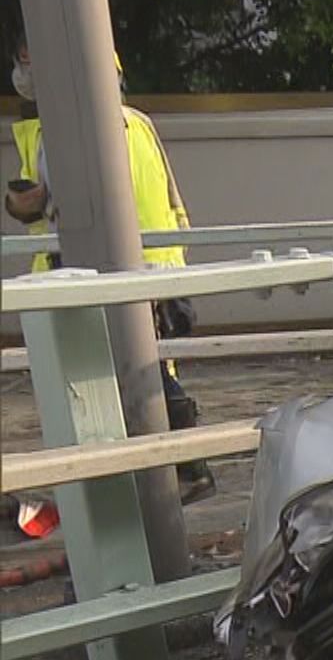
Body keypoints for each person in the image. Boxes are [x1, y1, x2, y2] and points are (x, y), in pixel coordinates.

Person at [5, 43, 213, 502]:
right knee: (139, 368)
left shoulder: (77, 131)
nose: (21, 72)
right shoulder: (130, 122)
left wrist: (32, 203)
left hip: (111, 268)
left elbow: (69, 205)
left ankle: (183, 469)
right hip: (142, 264)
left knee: (132, 370)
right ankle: (166, 471)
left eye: (28, 60)